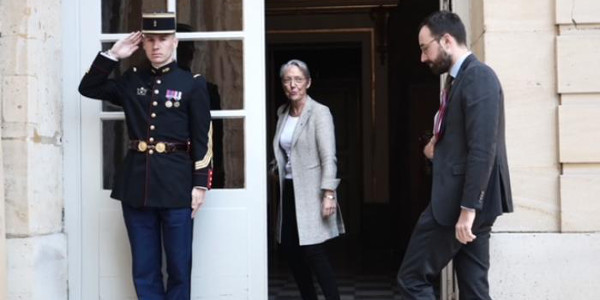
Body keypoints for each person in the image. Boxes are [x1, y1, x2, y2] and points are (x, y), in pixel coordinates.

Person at [78, 12, 212, 299]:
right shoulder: (132, 79)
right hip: (137, 186)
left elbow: (202, 137)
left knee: (178, 268)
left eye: (163, 39)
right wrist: (113, 55)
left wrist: (200, 183)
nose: (156, 46)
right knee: (144, 269)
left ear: (174, 42)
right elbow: (88, 88)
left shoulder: (192, 84)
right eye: (150, 40)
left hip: (177, 187)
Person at [397, 11, 513, 300]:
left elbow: (483, 149)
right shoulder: (459, 81)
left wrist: (467, 209)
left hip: (457, 205)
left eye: (425, 48)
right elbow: (465, 142)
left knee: (411, 279)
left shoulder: (479, 77)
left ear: (446, 40)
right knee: (474, 290)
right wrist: (437, 148)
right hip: (465, 203)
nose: (423, 58)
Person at [272, 59, 345, 300]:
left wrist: (329, 193)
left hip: (313, 193)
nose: (292, 85)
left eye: (298, 80)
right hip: (289, 191)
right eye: (287, 80)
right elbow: (285, 152)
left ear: (308, 83)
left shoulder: (319, 113)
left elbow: (328, 156)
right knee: (291, 252)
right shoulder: (282, 113)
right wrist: (274, 170)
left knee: (314, 252)